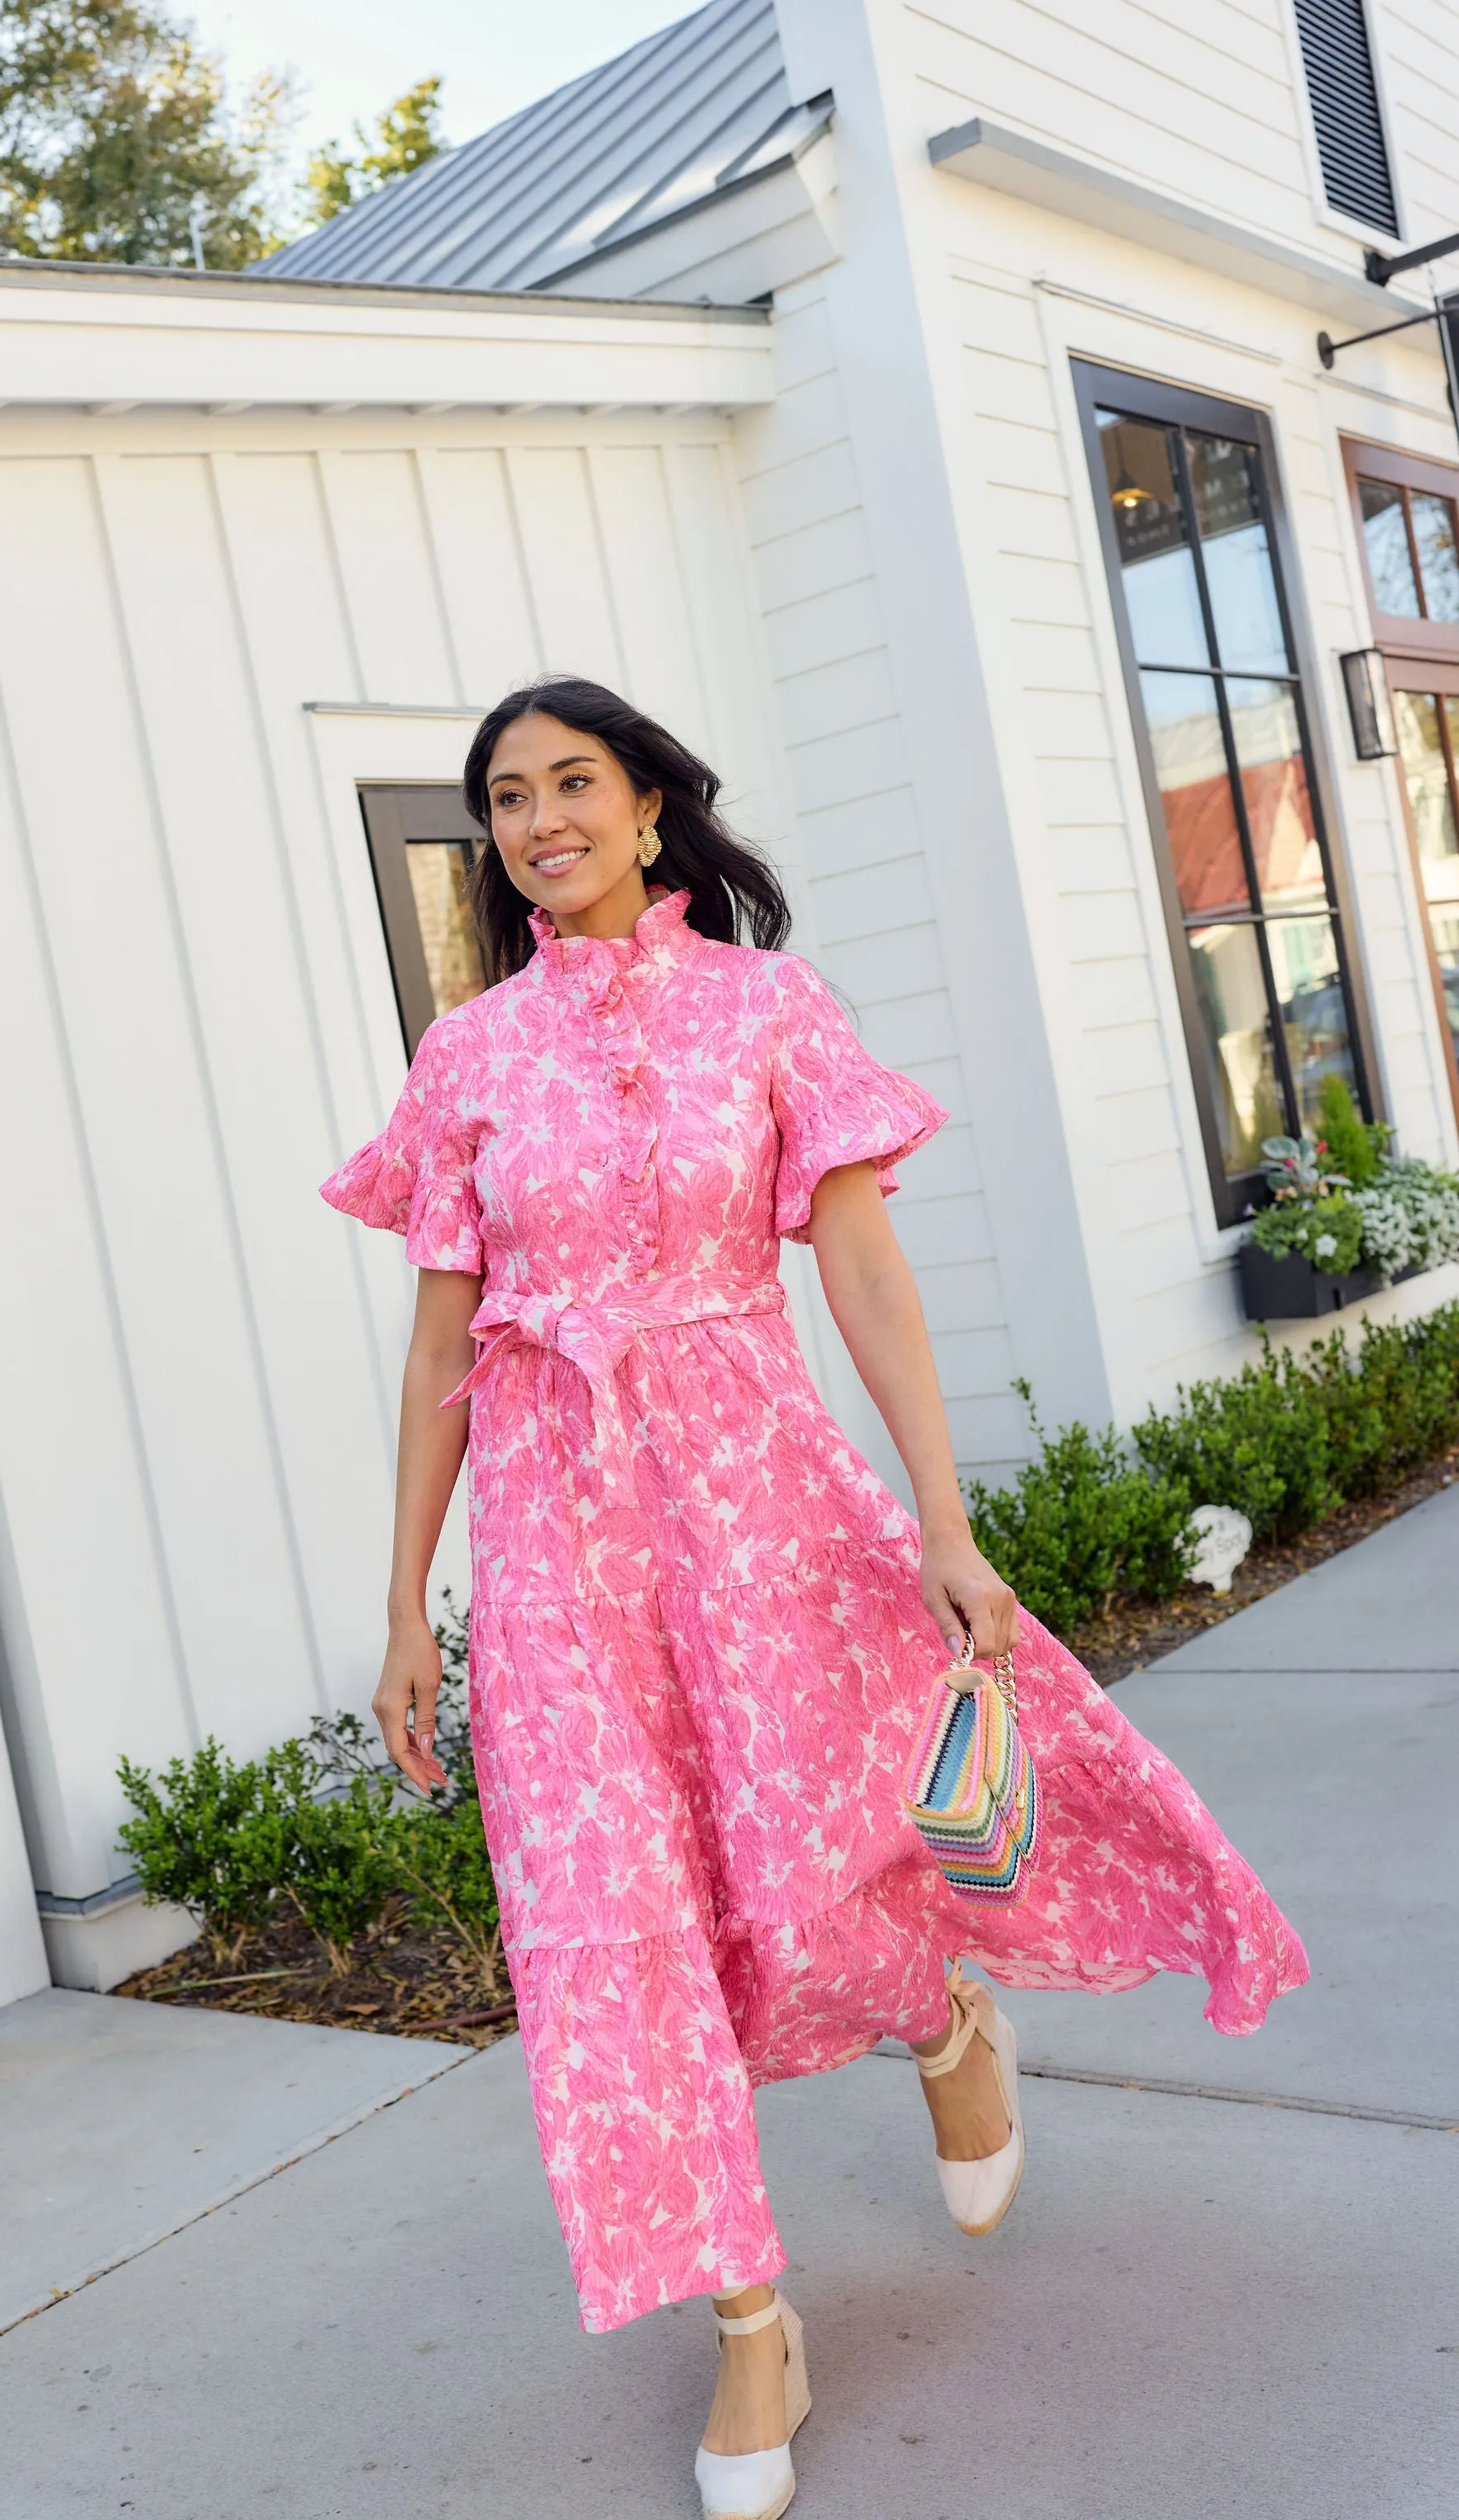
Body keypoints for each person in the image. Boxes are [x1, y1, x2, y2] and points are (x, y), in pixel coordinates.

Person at [322, 676, 1306, 2520]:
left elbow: (857, 1259)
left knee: (810, 1865)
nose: (539, 819)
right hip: (553, 1543)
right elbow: (443, 1331)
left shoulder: (768, 1010)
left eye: (572, 783)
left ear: (645, 803)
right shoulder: (468, 1058)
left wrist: (944, 1518)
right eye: (507, 797)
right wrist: (405, 1607)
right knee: (606, 1927)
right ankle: (750, 2317)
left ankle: (940, 2021)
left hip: (754, 1496)